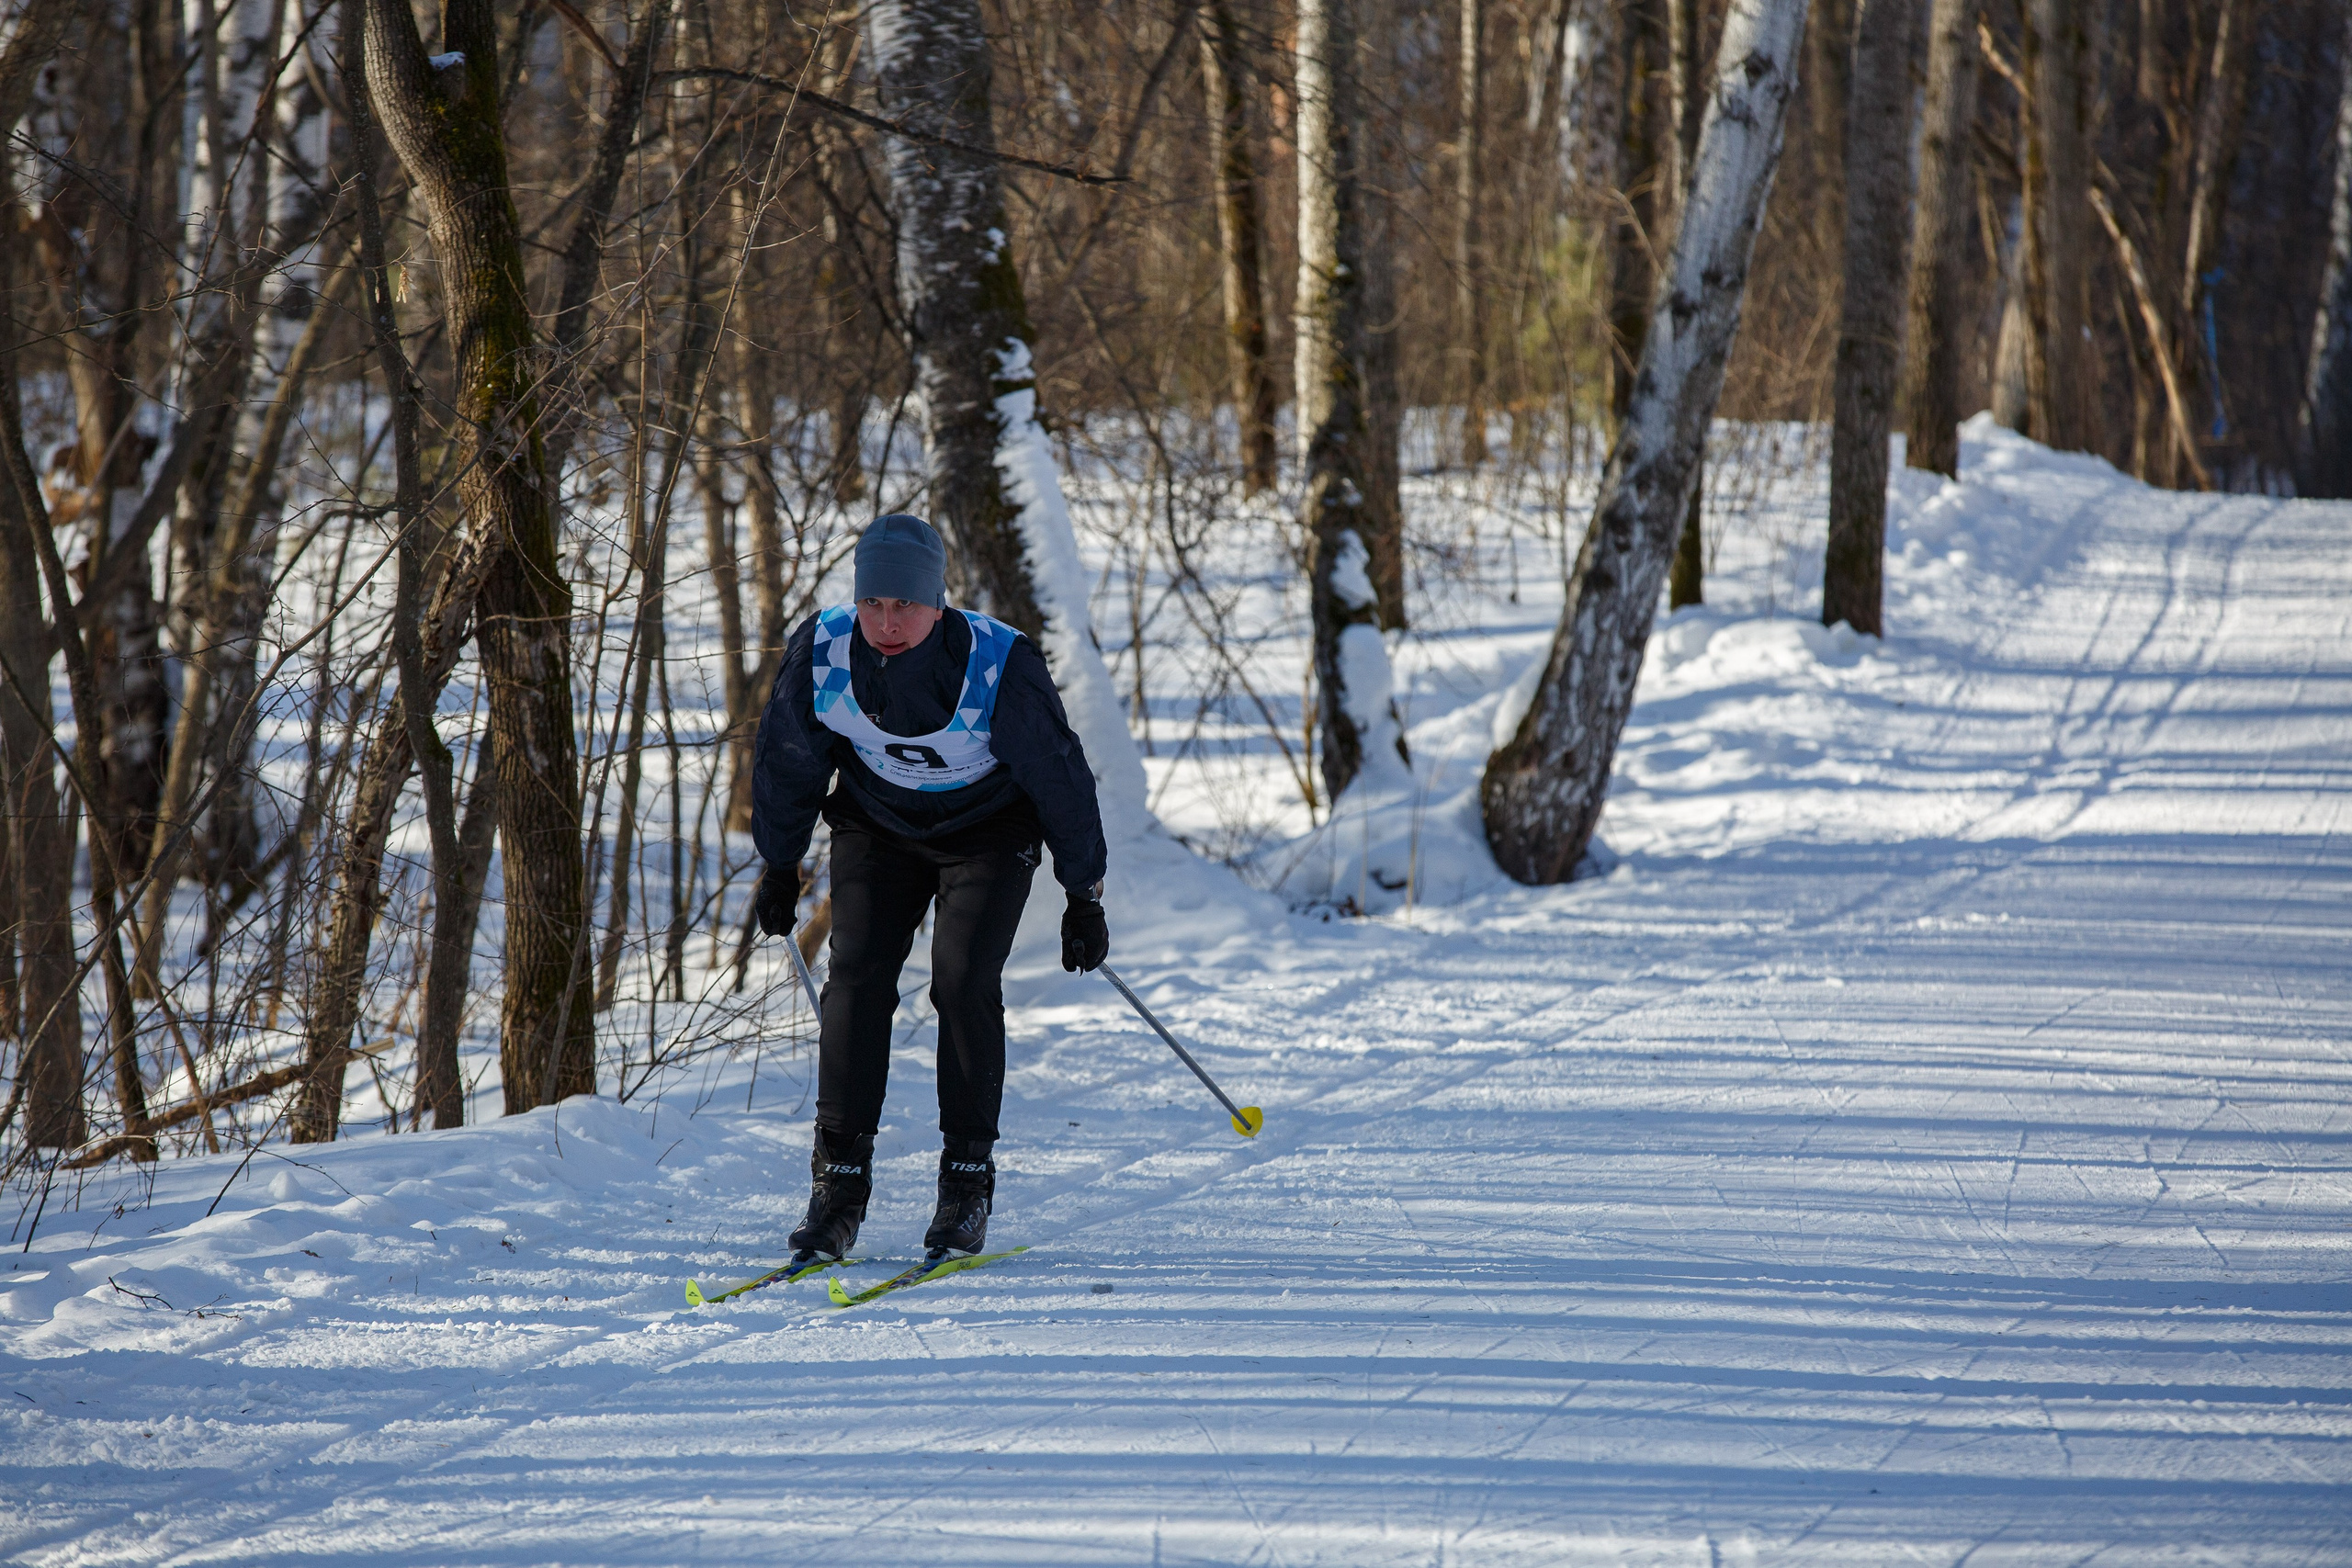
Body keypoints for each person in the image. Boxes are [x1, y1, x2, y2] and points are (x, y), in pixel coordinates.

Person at [751, 513, 1111, 1264]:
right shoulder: (822, 651)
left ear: (937, 602)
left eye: (905, 606)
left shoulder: (997, 662)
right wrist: (780, 864)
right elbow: (788, 760)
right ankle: (838, 1187)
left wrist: (1085, 892)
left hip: (987, 828)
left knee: (963, 979)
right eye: (874, 604)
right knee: (856, 977)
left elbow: (1061, 777)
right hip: (878, 825)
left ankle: (966, 1185)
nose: (887, 623)